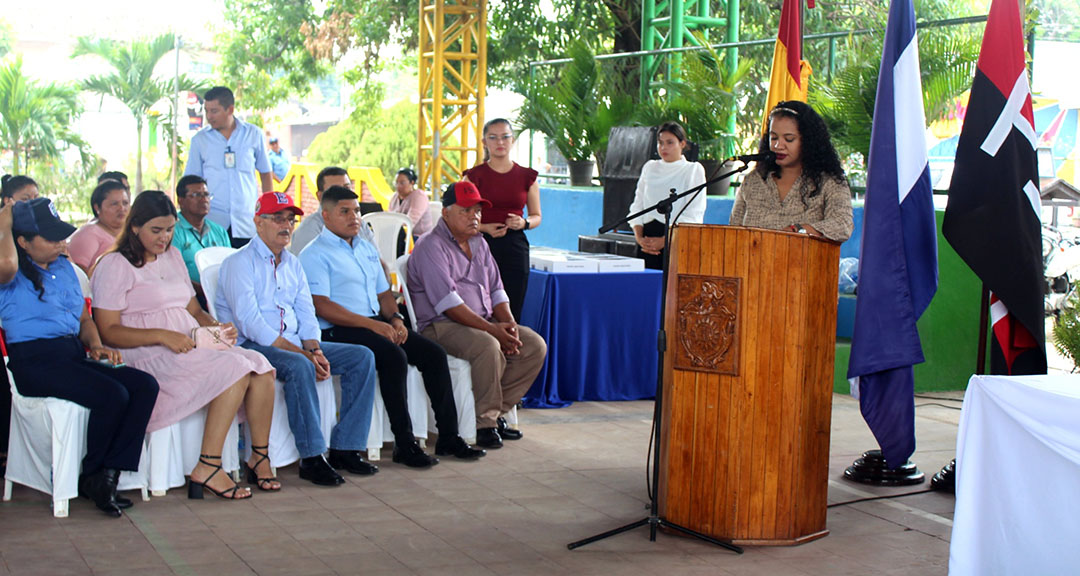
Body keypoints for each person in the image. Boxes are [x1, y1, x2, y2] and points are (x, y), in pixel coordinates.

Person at [91, 191, 279, 500]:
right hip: (147, 352)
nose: (164, 237)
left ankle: (260, 456)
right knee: (235, 368)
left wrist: (214, 326)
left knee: (259, 365)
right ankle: (208, 466)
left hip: (190, 344)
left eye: (169, 230)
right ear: (135, 226)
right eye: (156, 230)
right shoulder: (115, 264)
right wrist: (162, 335)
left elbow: (193, 310)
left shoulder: (173, 256)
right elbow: (108, 331)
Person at [300, 186, 485, 462]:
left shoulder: (365, 248)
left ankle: (449, 437)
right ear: (325, 216)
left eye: (357, 211)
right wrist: (374, 326)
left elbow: (385, 294)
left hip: (375, 322)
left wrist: (396, 319)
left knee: (433, 354)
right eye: (345, 212)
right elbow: (322, 305)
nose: (354, 218)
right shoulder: (314, 253)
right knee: (393, 356)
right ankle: (404, 443)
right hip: (337, 329)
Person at [0, 198, 158, 517]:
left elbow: (84, 320)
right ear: (22, 241)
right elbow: (6, 265)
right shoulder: (9, 271)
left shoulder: (64, 268)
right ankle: (93, 475)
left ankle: (106, 474)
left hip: (71, 354)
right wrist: (4, 221)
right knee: (111, 395)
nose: (60, 243)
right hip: (34, 362)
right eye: (50, 237)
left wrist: (96, 344)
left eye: (61, 236)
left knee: (144, 386)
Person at [217, 191, 381, 485]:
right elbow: (252, 325)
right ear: (258, 222)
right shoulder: (239, 263)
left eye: (290, 220)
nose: (286, 226)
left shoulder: (292, 264)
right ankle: (312, 457)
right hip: (253, 347)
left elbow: (307, 313)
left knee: (362, 357)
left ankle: (346, 447)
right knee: (299, 365)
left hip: (292, 343)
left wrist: (314, 348)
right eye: (277, 219)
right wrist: (303, 355)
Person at [407, 182, 546, 449]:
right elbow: (449, 304)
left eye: (478, 211)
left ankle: (495, 412)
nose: (475, 217)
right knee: (488, 346)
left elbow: (496, 289)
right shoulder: (430, 246)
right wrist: (493, 330)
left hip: (482, 322)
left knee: (533, 346)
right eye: (466, 210)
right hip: (441, 326)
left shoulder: (479, 242)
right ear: (445, 213)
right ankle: (485, 425)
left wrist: (508, 323)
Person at [729, 101, 854, 242]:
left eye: (789, 139)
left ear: (808, 141)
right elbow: (734, 232)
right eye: (774, 137)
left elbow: (842, 225)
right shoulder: (754, 180)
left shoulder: (829, 181)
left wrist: (798, 230)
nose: (778, 145)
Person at [462, 119, 542, 321]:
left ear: (512, 140)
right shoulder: (473, 177)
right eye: (493, 137)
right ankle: (485, 348)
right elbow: (459, 217)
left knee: (513, 305)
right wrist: (484, 227)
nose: (500, 142)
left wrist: (523, 223)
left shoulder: (527, 176)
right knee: (479, 303)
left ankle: (511, 346)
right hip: (479, 243)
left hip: (515, 245)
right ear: (484, 142)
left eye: (505, 137)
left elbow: (536, 216)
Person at [184, 86, 273, 248]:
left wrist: (269, 210)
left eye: (214, 111)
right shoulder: (200, 140)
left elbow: (265, 173)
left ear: (230, 109)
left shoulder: (253, 134)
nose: (209, 116)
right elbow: (191, 181)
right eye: (207, 111)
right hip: (212, 223)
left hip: (246, 221)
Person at [627, 121, 707, 270]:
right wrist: (639, 238)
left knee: (670, 290)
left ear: (682, 144)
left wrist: (665, 241)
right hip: (647, 239)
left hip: (676, 239)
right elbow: (638, 204)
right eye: (660, 143)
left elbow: (694, 213)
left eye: (670, 143)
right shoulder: (650, 167)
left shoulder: (693, 170)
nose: (663, 148)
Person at [171, 175, 230, 307]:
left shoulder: (219, 231)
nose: (204, 199)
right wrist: (206, 290)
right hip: (188, 298)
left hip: (221, 297)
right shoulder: (173, 231)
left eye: (206, 194)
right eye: (197, 195)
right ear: (181, 201)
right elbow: (174, 273)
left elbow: (230, 268)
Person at [289, 166, 361, 256]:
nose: (342, 194)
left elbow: (377, 260)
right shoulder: (308, 230)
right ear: (320, 196)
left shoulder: (359, 223)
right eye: (334, 190)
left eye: (346, 188)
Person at [68, 180, 130, 275]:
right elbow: (78, 273)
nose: (121, 208)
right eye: (114, 204)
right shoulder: (89, 234)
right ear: (97, 207)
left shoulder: (132, 231)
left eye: (125, 203)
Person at [390, 168, 433, 238]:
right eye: (396, 183)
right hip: (399, 235)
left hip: (419, 238)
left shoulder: (419, 196)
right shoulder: (395, 197)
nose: (398, 186)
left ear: (412, 183)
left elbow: (409, 222)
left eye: (402, 183)